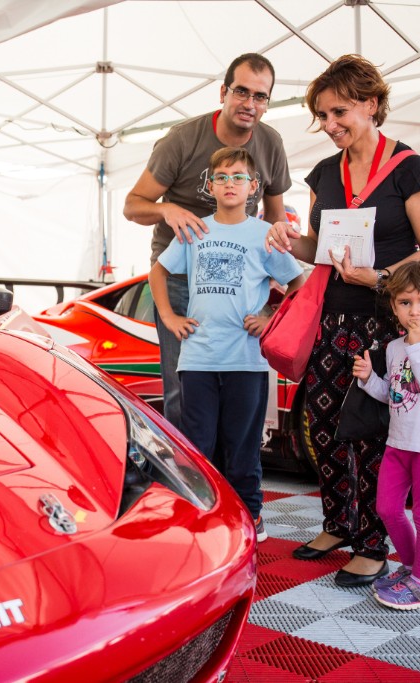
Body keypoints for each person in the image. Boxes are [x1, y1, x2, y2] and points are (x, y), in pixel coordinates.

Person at [266, 54, 420, 587]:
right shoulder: (325, 172)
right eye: (321, 116)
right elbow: (319, 248)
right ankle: (337, 522)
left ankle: (373, 543)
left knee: (369, 434)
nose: (329, 125)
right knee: (322, 429)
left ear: (372, 105)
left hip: (388, 323)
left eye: (339, 111)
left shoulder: (411, 168)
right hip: (332, 318)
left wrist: (381, 278)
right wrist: (286, 238)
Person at [124, 53, 293, 431]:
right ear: (223, 92)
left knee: (236, 394)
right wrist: (168, 210)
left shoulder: (271, 144)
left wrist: (271, 302)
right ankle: (193, 481)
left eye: (261, 96)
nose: (250, 104)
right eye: (241, 91)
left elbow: (276, 217)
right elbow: (132, 206)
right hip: (184, 285)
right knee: (184, 391)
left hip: (241, 288)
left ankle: (230, 480)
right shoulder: (182, 139)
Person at [149, 147, 304, 542]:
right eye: (221, 176)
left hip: (246, 362)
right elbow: (159, 271)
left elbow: (298, 283)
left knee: (243, 447)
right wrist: (168, 317)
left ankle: (250, 514)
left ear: (254, 186)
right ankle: (207, 515)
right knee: (200, 446)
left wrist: (271, 318)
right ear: (210, 185)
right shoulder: (196, 230)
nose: (230, 183)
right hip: (198, 359)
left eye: (238, 176)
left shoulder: (264, 235)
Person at [352, 261, 420, 610]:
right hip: (398, 444)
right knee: (387, 508)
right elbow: (395, 394)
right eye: (405, 302)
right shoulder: (395, 347)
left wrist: (417, 346)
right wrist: (370, 378)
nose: (415, 310)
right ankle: (414, 568)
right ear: (394, 305)